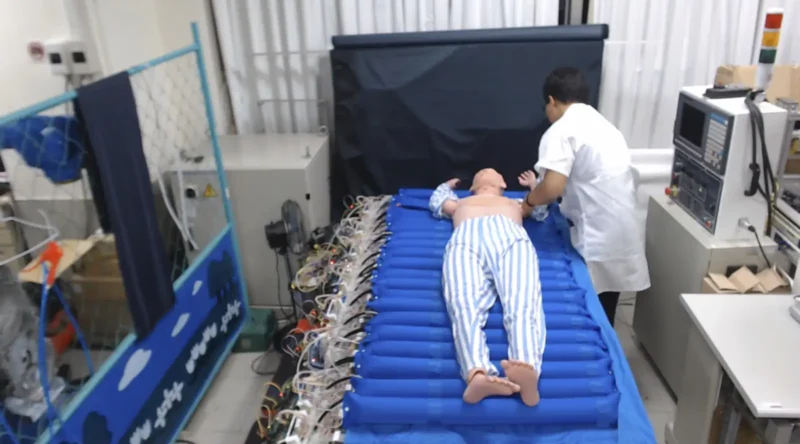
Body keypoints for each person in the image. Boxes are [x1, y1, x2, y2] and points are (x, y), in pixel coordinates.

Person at [518, 67, 650, 327]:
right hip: (625, 230)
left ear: (552, 101)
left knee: (591, 313)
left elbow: (552, 188)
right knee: (606, 311)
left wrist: (528, 203)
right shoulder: (605, 126)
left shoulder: (561, 130)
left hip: (599, 234)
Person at [428, 168, 546, 406]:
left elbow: (540, 209)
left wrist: (535, 186)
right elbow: (436, 201)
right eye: (480, 174)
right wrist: (447, 185)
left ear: (503, 184)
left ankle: (526, 368)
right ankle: (477, 373)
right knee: (462, 304)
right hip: (465, 240)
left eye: (492, 173)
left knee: (522, 302)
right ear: (472, 187)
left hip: (510, 237)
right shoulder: (461, 203)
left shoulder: (515, 203)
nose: (485, 173)